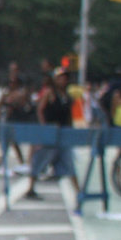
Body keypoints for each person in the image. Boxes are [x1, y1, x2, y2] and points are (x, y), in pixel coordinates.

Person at [23, 67, 74, 200]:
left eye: (65, 78)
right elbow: (40, 110)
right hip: (50, 132)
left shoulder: (67, 96)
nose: (63, 80)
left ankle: (78, 191)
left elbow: (69, 115)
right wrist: (44, 127)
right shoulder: (50, 93)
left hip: (63, 133)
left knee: (68, 162)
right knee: (40, 159)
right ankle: (31, 188)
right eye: (60, 77)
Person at [0, 62, 32, 170]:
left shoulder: (22, 90)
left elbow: (26, 103)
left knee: (14, 141)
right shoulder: (6, 91)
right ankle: (5, 161)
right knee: (7, 141)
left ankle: (21, 161)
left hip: (20, 118)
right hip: (8, 119)